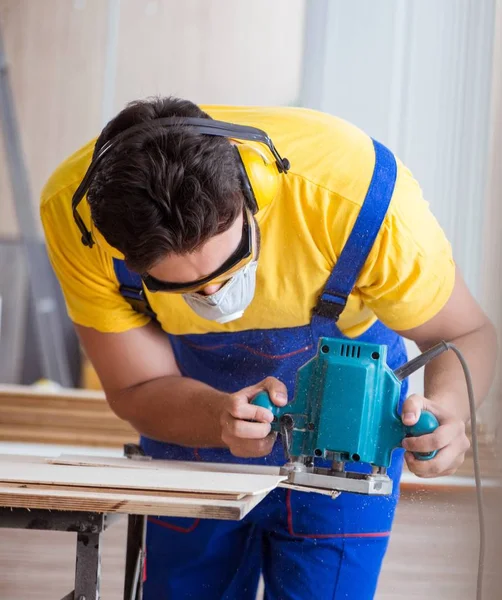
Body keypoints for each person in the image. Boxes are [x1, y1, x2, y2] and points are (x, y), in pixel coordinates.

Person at [40, 96, 497, 599]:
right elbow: (137, 386)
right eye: (184, 288)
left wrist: (449, 413)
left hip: (349, 456)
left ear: (251, 195)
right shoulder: (75, 218)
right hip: (190, 438)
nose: (214, 295)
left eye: (230, 263)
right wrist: (218, 415)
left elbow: (464, 332)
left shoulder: (358, 200)